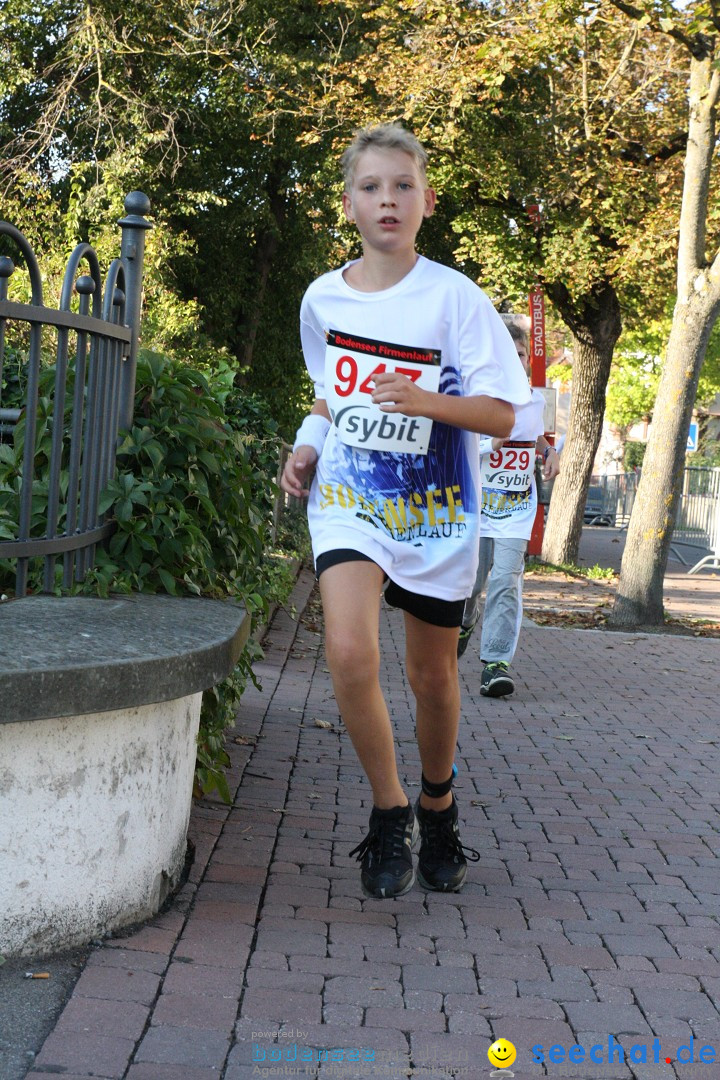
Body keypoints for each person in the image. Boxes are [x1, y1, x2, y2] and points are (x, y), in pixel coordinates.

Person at [281, 122, 530, 900]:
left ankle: (438, 802)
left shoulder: (455, 298)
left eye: (401, 186)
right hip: (350, 500)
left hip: (436, 510)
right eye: (370, 186)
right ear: (348, 205)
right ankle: (390, 812)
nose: (386, 199)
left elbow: (511, 416)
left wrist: (428, 401)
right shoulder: (321, 298)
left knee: (433, 679)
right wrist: (308, 443)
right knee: (352, 656)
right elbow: (329, 395)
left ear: (424, 201)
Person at [457, 322, 561, 697]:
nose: (517, 360)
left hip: (517, 512)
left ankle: (496, 664)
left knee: (506, 582)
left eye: (522, 355)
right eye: (510, 354)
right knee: (471, 584)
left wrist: (549, 453)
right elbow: (462, 446)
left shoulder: (535, 400)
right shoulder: (479, 397)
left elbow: (537, 438)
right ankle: (465, 621)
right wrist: (490, 444)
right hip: (478, 510)